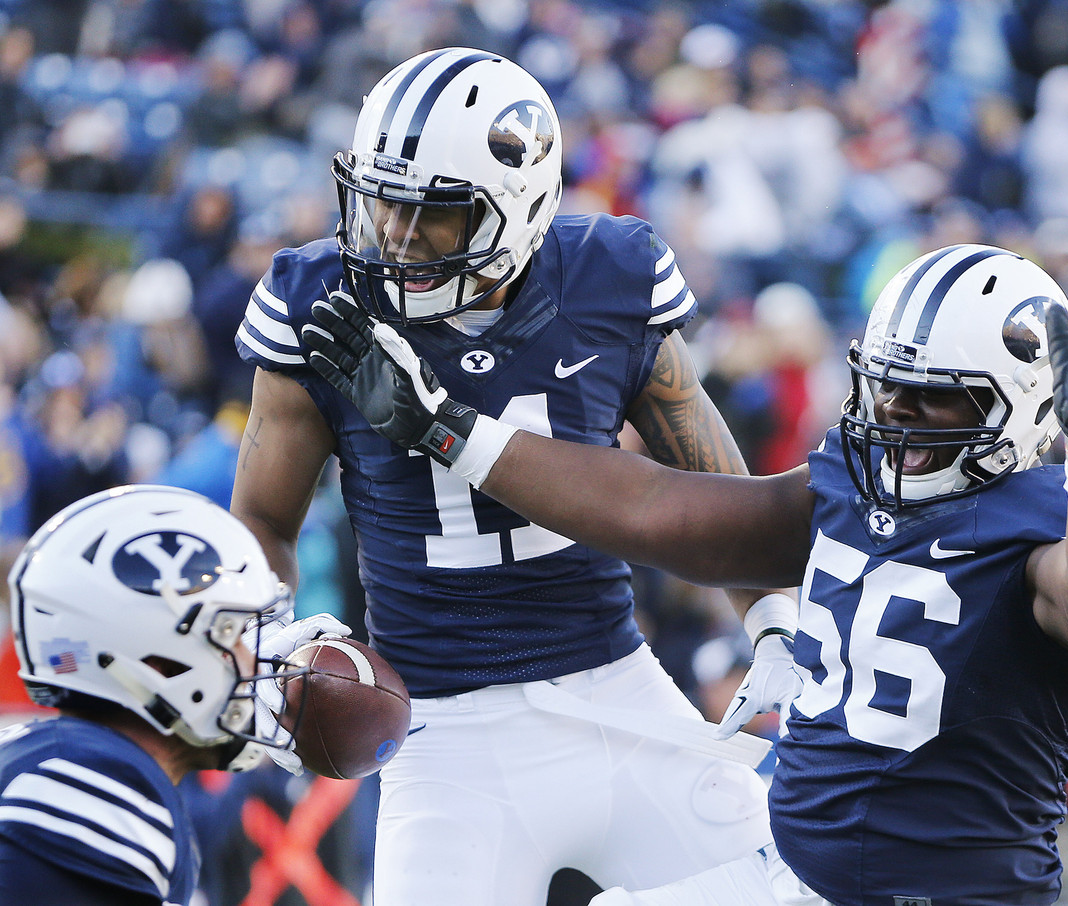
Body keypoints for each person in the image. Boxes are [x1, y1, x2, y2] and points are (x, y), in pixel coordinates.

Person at [303, 243, 1068, 905]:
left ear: (1030, 405)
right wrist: (449, 430)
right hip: (794, 876)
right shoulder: (850, 479)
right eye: (886, 385)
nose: (896, 412)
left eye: (936, 394)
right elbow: (656, 510)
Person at [231, 47, 787, 905]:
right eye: (383, 204)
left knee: (796, 888)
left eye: (435, 216)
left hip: (619, 693)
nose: (397, 237)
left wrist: (775, 621)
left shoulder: (609, 276)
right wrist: (267, 646)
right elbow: (264, 520)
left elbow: (707, 472)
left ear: (519, 208)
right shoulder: (321, 302)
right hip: (442, 733)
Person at [0, 484, 324, 905]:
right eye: (233, 636)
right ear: (158, 662)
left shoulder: (55, 755)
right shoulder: (99, 783)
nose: (252, 666)